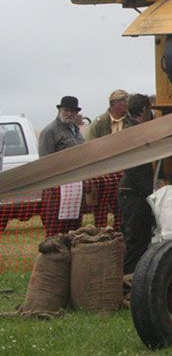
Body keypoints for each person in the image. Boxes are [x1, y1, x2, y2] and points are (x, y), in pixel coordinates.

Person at [118, 93, 157, 275]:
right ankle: (127, 282)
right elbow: (136, 169)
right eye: (150, 110)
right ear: (144, 110)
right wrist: (151, 190)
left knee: (139, 239)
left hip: (134, 192)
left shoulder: (131, 129)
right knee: (136, 240)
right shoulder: (134, 133)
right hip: (134, 194)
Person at [37, 96, 86, 237]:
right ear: (59, 110)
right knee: (55, 229)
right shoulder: (50, 131)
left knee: (74, 227)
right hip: (57, 189)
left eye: (72, 111)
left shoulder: (75, 130)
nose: (69, 114)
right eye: (66, 110)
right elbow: (45, 161)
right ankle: (52, 258)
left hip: (75, 186)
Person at [85, 89, 129, 228]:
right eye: (125, 101)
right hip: (102, 176)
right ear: (116, 103)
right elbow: (89, 148)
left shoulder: (130, 122)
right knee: (100, 211)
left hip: (122, 174)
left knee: (120, 208)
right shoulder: (99, 123)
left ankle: (118, 235)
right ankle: (99, 236)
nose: (127, 104)